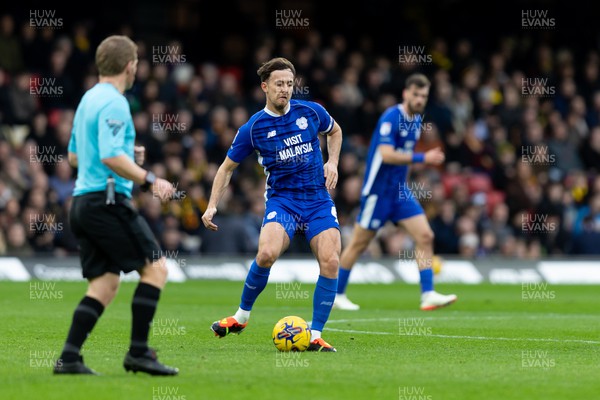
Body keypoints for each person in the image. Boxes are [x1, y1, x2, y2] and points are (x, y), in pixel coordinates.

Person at [53, 35, 178, 375]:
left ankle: (69, 358)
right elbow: (109, 156)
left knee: (105, 284)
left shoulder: (87, 99)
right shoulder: (116, 102)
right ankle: (138, 353)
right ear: (129, 66)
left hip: (82, 202)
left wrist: (127, 157)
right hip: (106, 201)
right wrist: (150, 179)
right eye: (136, 63)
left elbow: (77, 156)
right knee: (156, 269)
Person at [202, 57, 343, 352]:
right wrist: (212, 205)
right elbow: (226, 168)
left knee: (330, 261)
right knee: (266, 253)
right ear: (265, 87)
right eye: (279, 84)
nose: (286, 90)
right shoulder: (253, 128)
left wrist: (333, 162)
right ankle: (241, 317)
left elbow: (335, 131)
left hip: (317, 199)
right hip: (284, 201)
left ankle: (314, 333)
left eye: (290, 84)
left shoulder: (311, 111)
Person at [334, 73, 457, 311]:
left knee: (425, 236)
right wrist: (425, 157)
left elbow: (404, 163)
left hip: (400, 193)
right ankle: (337, 294)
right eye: (416, 94)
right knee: (359, 244)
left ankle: (428, 293)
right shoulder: (391, 117)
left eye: (424, 95)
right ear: (406, 93)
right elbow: (387, 154)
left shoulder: (416, 121)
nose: (420, 99)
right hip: (378, 193)